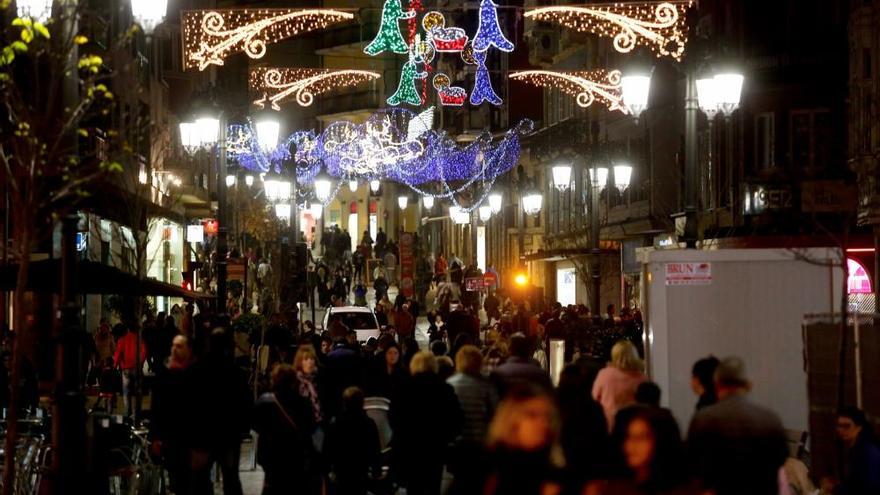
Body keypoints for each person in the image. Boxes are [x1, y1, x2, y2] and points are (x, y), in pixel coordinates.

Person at [687, 356, 788, 495]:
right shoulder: (770, 419)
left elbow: (694, 467)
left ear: (717, 385)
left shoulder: (703, 419)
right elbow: (780, 460)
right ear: (747, 385)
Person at [188, 327, 252, 495]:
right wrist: (243, 428)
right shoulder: (235, 372)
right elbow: (245, 402)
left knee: (200, 479)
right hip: (228, 434)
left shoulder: (196, 370)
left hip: (202, 433)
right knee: (230, 478)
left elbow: (189, 401)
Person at [391, 351, 462, 495]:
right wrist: (447, 437)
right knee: (433, 483)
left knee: (414, 485)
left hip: (410, 445)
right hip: (435, 445)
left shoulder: (405, 387)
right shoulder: (444, 388)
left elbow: (393, 415)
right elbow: (456, 417)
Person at [586, 407, 693, 495]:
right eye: (629, 437)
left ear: (661, 440)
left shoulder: (683, 490)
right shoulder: (610, 488)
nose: (630, 446)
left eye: (641, 438)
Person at [482, 387, 564, 495]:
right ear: (511, 419)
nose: (544, 423)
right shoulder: (486, 466)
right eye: (532, 415)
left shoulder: (553, 467)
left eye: (547, 416)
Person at [253, 364, 319, 495]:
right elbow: (311, 428)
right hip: (296, 456)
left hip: (271, 457)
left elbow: (255, 425)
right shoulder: (304, 403)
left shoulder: (264, 402)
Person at [447, 346, 499, 495]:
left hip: (457, 443)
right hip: (480, 443)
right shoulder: (486, 384)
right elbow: (495, 413)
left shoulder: (451, 383)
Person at [151, 335, 194, 493]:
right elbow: (157, 408)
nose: (175, 349)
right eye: (174, 345)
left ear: (189, 351)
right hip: (171, 439)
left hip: (189, 439)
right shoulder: (164, 376)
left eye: (180, 346)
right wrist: (155, 437)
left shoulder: (193, 375)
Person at [557, 364, 609, 490]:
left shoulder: (554, 404)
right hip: (588, 466)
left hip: (561, 465)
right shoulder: (593, 408)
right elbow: (602, 439)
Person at [325, 387, 381, 495]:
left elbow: (328, 450)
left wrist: (327, 469)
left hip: (341, 472)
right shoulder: (368, 423)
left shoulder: (336, 424)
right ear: (362, 402)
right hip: (361, 471)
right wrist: (376, 469)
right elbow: (375, 448)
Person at [592, 340, 647, 431]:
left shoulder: (604, 375)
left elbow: (594, 399)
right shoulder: (641, 379)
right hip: (633, 425)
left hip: (609, 424)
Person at [828, 406, 880, 494]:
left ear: (859, 427)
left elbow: (860, 487)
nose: (841, 430)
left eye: (846, 426)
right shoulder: (857, 446)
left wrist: (835, 488)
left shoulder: (866, 450)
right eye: (839, 426)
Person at [113, 325, 147, 416]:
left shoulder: (122, 340)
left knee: (126, 391)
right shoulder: (139, 339)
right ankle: (137, 412)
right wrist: (140, 362)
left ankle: (128, 412)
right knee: (138, 391)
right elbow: (144, 351)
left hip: (126, 369)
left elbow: (118, 353)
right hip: (137, 368)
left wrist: (114, 366)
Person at [294, 346, 323, 426]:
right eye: (306, 359)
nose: (309, 362)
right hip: (300, 425)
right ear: (300, 362)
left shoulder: (320, 378)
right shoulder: (294, 381)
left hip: (319, 423)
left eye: (312, 359)